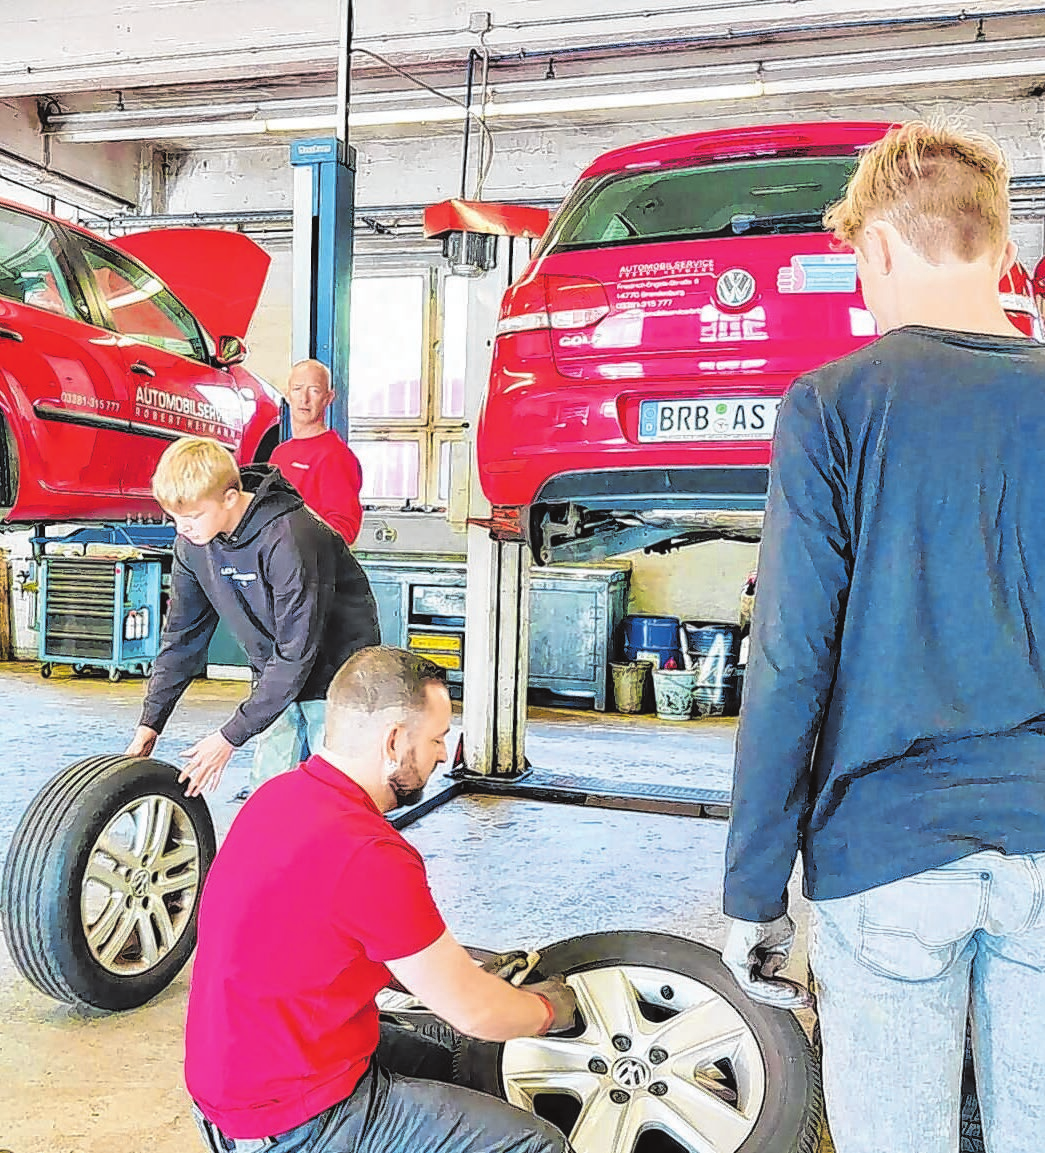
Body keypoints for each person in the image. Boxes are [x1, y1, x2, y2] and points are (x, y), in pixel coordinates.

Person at [720, 120, 1045, 1153]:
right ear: (1001, 249)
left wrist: (752, 886)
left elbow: (789, 661)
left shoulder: (833, 405)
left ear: (878, 250)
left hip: (887, 851)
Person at [186, 645, 577, 1153]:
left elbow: (331, 942)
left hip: (236, 1084)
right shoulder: (369, 852)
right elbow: (478, 1015)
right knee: (536, 1143)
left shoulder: (278, 798)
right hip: (294, 1119)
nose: (442, 753)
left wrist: (462, 966)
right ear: (394, 741)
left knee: (451, 1062)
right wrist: (552, 1010)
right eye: (436, 739)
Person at [126, 436, 379, 796]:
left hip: (337, 678)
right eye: (175, 517)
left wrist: (229, 737)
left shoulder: (291, 536)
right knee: (270, 794)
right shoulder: (193, 544)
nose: (183, 527)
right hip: (274, 673)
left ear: (230, 498)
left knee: (336, 794)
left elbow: (298, 651)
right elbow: (181, 639)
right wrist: (151, 722)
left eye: (193, 515)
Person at [269, 358, 365, 545]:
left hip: (310, 567)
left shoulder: (336, 456)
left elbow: (344, 530)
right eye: (297, 389)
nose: (304, 399)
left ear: (328, 398)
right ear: (287, 394)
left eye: (314, 390)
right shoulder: (279, 454)